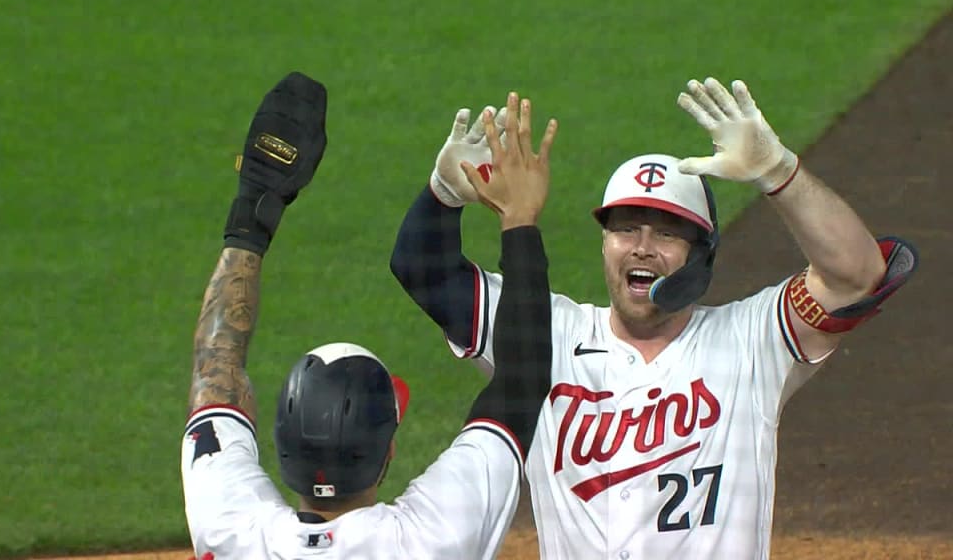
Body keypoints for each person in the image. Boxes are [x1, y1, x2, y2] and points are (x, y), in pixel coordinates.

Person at [390, 77, 918, 559]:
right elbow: (425, 273)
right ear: (604, 245)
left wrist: (780, 172)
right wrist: (443, 193)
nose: (642, 249)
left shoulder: (751, 342)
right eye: (625, 229)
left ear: (702, 255)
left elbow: (857, 275)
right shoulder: (540, 338)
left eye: (666, 234)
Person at [180, 74, 561, 560]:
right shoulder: (428, 539)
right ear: (388, 454)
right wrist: (518, 216)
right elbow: (523, 382)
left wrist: (251, 216)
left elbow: (215, 364)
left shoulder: (232, 530)